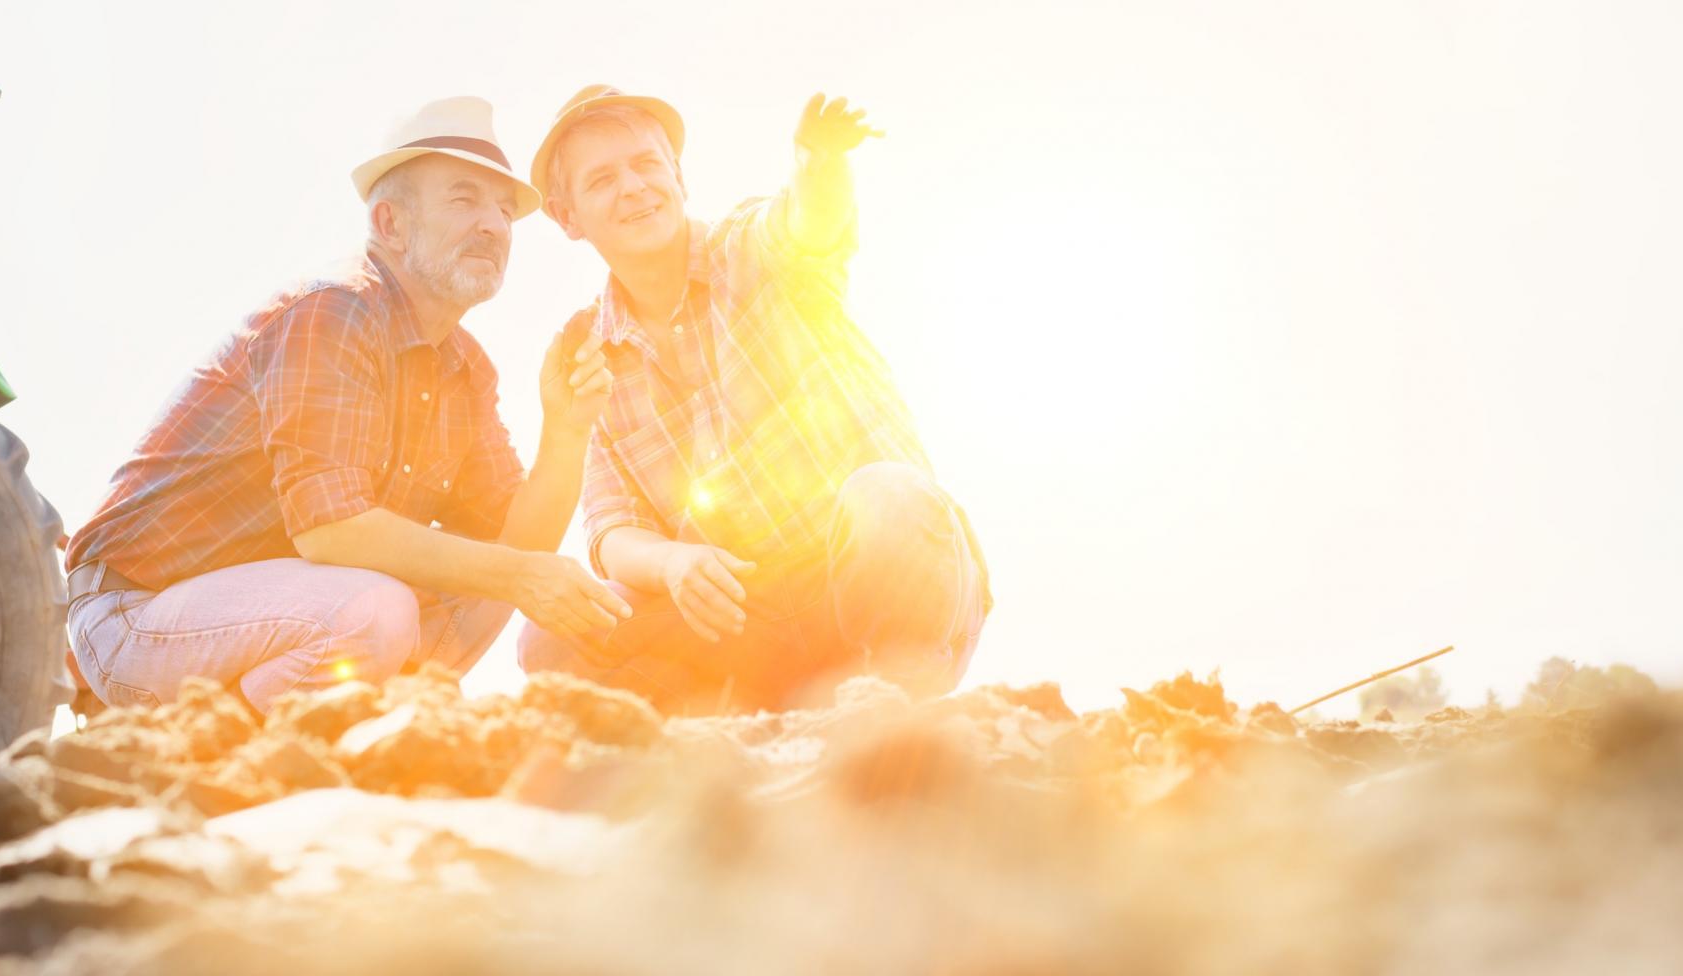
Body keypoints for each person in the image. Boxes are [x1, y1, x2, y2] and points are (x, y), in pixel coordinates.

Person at [62, 96, 628, 715]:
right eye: (464, 199)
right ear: (389, 224)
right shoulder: (334, 310)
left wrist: (566, 433)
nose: (494, 225)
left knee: (493, 581)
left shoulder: (464, 366)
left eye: (503, 209)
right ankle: (224, 752)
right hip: (136, 613)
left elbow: (520, 547)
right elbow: (329, 528)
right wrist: (517, 574)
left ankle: (341, 729)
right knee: (379, 610)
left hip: (278, 618)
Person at [516, 86, 988, 712]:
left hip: (874, 585)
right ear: (567, 216)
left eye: (647, 165)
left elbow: (806, 224)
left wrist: (818, 163)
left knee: (890, 497)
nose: (633, 186)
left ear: (679, 176)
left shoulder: (751, 249)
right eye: (602, 179)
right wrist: (674, 562)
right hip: (745, 623)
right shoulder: (589, 355)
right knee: (552, 634)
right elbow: (611, 531)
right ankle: (729, 724)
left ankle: (888, 711)